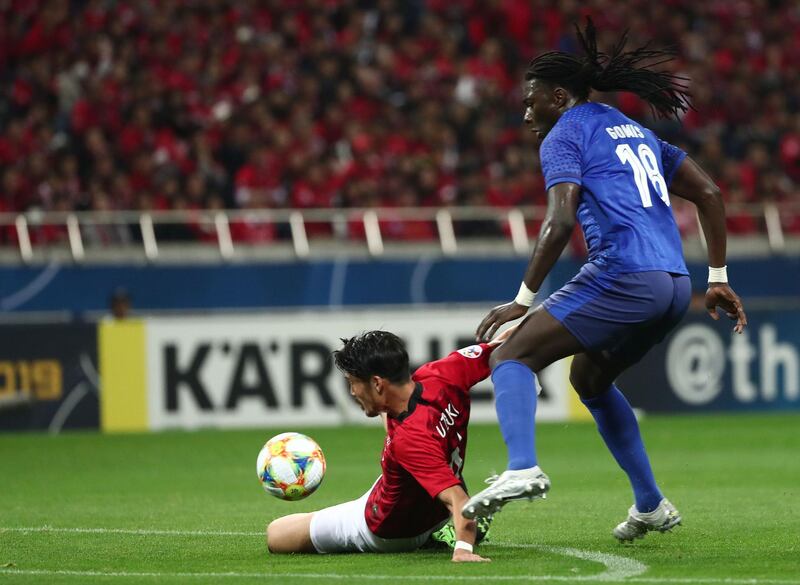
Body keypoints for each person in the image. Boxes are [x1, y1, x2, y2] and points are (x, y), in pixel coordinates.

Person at [462, 19, 748, 543]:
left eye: (532, 102)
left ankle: (523, 466)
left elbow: (560, 219)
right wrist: (719, 276)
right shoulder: (633, 129)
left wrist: (522, 300)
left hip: (623, 274)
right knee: (589, 380)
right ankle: (650, 503)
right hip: (673, 286)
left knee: (511, 356)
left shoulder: (564, 135)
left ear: (559, 96)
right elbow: (710, 193)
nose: (527, 114)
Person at [266, 328, 516, 561]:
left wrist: (463, 549)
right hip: (435, 507)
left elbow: (458, 499)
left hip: (389, 531)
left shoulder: (408, 440)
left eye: (353, 382)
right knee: (401, 433)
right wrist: (548, 311)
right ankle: (447, 527)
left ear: (376, 383)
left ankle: (445, 534)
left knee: (276, 535)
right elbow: (502, 344)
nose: (352, 392)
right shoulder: (442, 374)